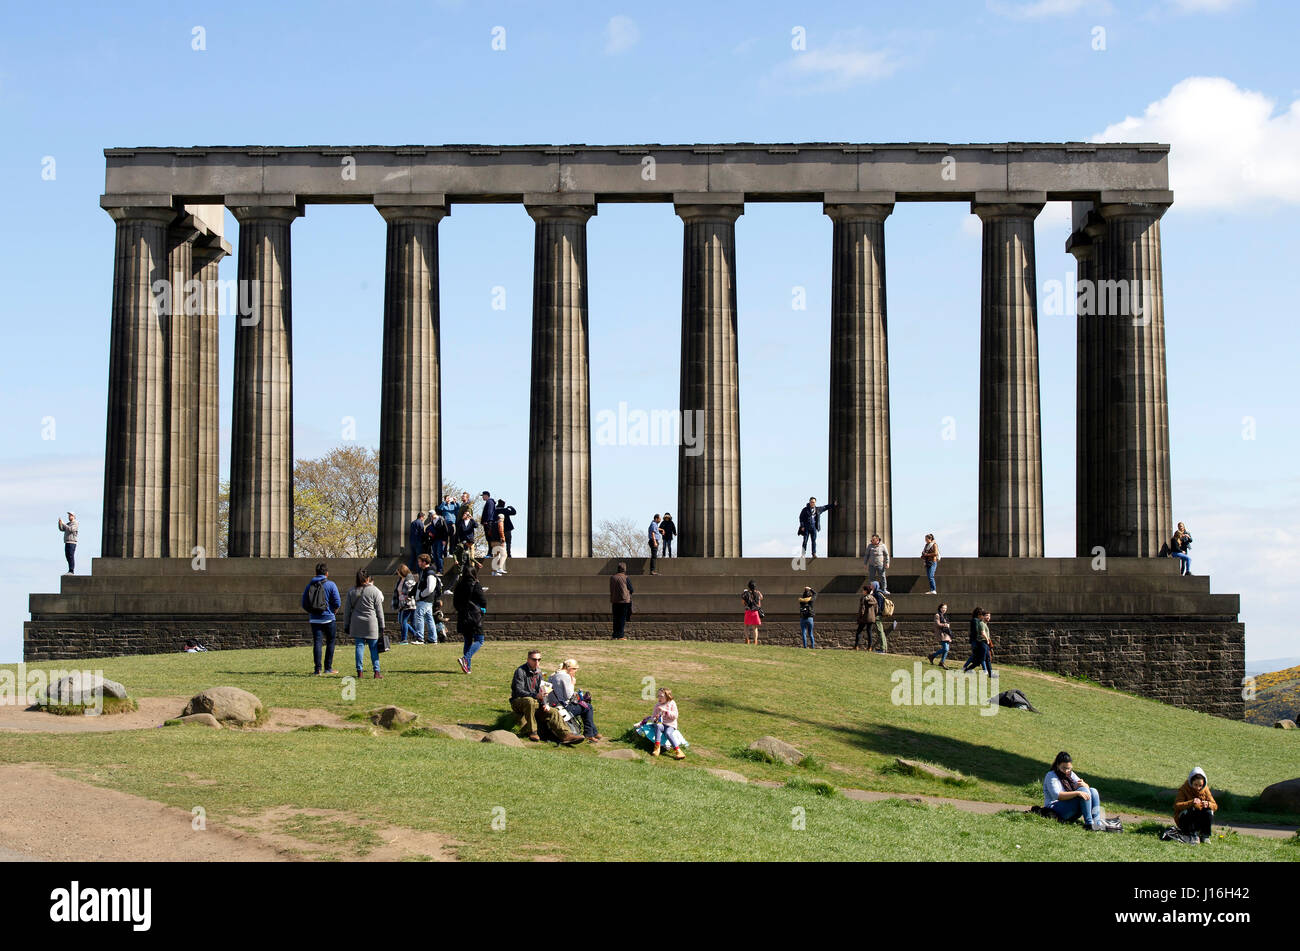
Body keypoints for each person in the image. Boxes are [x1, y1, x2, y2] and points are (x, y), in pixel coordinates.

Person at [510, 650, 583, 744]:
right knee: (530, 701)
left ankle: (566, 735)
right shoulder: (520, 671)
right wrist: (535, 695)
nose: (537, 662)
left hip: (535, 701)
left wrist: (545, 703)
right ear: (528, 659)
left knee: (553, 711)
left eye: (539, 659)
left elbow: (542, 689)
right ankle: (532, 731)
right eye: (534, 659)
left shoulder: (539, 672)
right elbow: (518, 691)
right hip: (518, 701)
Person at [1043, 751, 1106, 830]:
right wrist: (1077, 793)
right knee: (1082, 791)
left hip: (1070, 808)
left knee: (1093, 791)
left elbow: (1086, 788)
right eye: (1063, 768)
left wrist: (1085, 784)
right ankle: (1089, 823)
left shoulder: (1071, 774)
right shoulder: (1051, 775)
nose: (1066, 771)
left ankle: (1097, 822)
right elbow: (1058, 796)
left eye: (1068, 768)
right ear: (1057, 765)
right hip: (1055, 809)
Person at [343, 568, 386, 679]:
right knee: (374, 648)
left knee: (359, 647)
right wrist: (382, 625)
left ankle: (360, 671)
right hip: (371, 622)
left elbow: (347, 611)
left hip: (357, 622)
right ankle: (376, 672)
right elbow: (379, 610)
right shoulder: (374, 591)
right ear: (367, 578)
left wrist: (346, 625)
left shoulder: (352, 591)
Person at [301, 563, 342, 676]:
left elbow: (304, 603)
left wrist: (311, 611)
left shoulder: (309, 585)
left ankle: (317, 669)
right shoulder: (331, 584)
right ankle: (328, 668)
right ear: (326, 573)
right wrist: (334, 609)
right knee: (330, 642)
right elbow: (337, 601)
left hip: (314, 619)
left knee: (317, 643)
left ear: (316, 573)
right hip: (329, 617)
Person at [549, 659, 603, 742]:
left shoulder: (553, 675)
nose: (575, 672)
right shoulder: (565, 676)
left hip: (553, 705)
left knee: (584, 706)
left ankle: (594, 732)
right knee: (588, 707)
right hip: (563, 708)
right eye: (575, 670)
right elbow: (569, 695)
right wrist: (572, 683)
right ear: (570, 669)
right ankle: (589, 734)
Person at [453, 563, 488, 674]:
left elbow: (455, 602)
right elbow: (483, 600)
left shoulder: (458, 585)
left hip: (463, 616)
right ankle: (465, 659)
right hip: (474, 616)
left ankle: (467, 666)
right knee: (479, 640)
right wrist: (482, 609)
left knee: (468, 640)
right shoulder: (475, 584)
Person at [639, 687, 687, 759]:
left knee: (668, 733)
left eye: (661, 696)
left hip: (670, 724)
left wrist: (666, 711)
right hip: (660, 724)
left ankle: (678, 751)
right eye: (658, 696)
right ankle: (657, 748)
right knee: (658, 726)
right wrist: (655, 718)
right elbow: (653, 717)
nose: (659, 698)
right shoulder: (657, 705)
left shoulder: (672, 703)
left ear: (667, 696)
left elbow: (675, 716)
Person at [1173, 766, 1218, 843]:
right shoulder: (1184, 789)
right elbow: (1177, 806)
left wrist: (1208, 804)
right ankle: (1192, 835)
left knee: (1209, 811)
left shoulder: (1205, 790)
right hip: (1184, 820)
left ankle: (1205, 835)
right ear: (1191, 782)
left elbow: (1215, 806)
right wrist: (1191, 802)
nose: (1198, 788)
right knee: (1192, 809)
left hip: (1198, 820)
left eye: (1200, 785)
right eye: (1195, 785)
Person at [413, 553, 441, 644]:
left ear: (425, 562)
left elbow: (430, 588)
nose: (418, 563)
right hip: (427, 600)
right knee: (429, 618)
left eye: (420, 561)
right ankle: (433, 639)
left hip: (425, 600)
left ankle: (420, 638)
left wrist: (421, 595)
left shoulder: (429, 573)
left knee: (419, 616)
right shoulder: (425, 572)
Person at [392, 564, 418, 644]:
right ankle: (415, 634)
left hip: (408, 603)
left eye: (399, 572)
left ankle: (404, 639)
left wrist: (404, 596)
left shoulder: (409, 579)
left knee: (403, 621)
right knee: (401, 621)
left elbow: (411, 592)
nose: (398, 574)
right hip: (401, 603)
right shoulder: (400, 580)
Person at [962, 607, 991, 675]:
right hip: (976, 640)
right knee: (977, 655)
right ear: (979, 614)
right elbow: (976, 631)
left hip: (975, 640)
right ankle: (984, 670)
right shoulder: (976, 620)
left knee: (975, 655)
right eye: (982, 614)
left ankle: (965, 667)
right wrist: (980, 638)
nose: (983, 616)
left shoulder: (977, 620)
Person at [610, 562, 633, 639]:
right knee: (622, 619)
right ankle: (621, 635)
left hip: (614, 600)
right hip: (624, 601)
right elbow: (631, 589)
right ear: (624, 569)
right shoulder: (626, 578)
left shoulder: (612, 577)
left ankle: (615, 635)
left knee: (615, 619)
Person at [927, 603, 953, 668]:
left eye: (946, 608)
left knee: (946, 649)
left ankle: (940, 661)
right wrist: (945, 625)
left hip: (946, 633)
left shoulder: (945, 616)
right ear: (940, 608)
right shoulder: (937, 615)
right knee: (946, 649)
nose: (944, 609)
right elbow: (937, 624)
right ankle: (933, 656)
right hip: (941, 633)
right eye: (943, 608)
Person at [426, 508, 450, 573]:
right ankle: (437, 569)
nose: (431, 517)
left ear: (434, 514)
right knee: (435, 555)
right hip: (434, 540)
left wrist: (445, 540)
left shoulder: (441, 519)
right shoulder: (432, 521)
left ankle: (441, 570)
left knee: (439, 555)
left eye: (431, 516)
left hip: (441, 540)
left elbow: (446, 530)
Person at [853, 583, 876, 650]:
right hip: (871, 617)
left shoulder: (864, 599)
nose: (862, 591)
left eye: (863, 590)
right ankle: (869, 647)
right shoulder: (874, 599)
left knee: (859, 631)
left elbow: (862, 609)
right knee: (869, 632)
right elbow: (876, 608)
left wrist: (859, 617)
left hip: (864, 617)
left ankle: (856, 646)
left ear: (866, 591)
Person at [869, 580, 889, 652]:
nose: (870, 586)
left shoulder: (877, 594)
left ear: (874, 586)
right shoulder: (879, 593)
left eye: (871, 585)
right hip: (878, 615)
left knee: (880, 631)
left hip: (877, 615)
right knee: (881, 631)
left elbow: (878, 606)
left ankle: (883, 649)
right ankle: (884, 648)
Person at [741, 580, 763, 644]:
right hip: (755, 612)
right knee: (755, 627)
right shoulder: (757, 593)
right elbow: (761, 598)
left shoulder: (745, 593)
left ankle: (747, 640)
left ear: (748, 586)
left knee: (746, 626)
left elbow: (743, 602)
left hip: (748, 611)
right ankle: (755, 641)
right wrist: (759, 593)